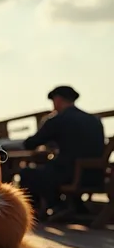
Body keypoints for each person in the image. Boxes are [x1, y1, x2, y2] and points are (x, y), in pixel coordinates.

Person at [18, 86, 105, 218]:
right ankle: (75, 205)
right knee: (52, 169)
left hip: (68, 175)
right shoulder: (94, 120)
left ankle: (54, 206)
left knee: (27, 173)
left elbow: (30, 143)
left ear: (58, 100)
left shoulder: (58, 119)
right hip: (95, 176)